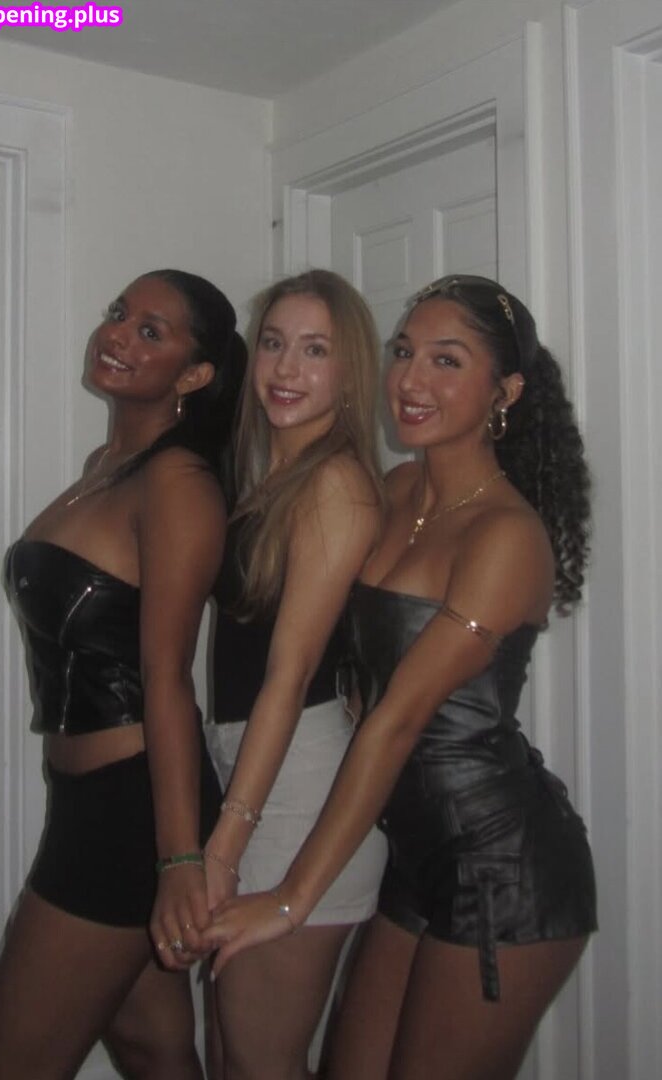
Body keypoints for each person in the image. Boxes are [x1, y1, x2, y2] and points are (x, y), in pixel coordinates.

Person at [204, 274, 597, 1080]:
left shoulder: (506, 535)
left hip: (501, 864)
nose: (412, 381)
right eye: (404, 353)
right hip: (411, 853)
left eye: (447, 361)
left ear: (505, 392)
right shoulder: (395, 490)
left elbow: (396, 724)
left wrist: (290, 899)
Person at [0, 270, 246, 1080]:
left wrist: (179, 860)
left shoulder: (178, 484)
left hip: (130, 814)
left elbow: (167, 677)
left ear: (195, 374)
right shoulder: (107, 465)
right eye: (121, 314)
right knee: (153, 1048)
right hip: (88, 800)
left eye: (151, 331)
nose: (117, 334)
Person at [188, 269, 388, 1080]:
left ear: (352, 374)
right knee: (235, 1054)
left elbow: (289, 673)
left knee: (260, 1062)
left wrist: (225, 844)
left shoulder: (336, 486)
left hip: (293, 791)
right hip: (258, 769)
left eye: (314, 350)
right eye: (273, 343)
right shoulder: (271, 475)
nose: (284, 368)